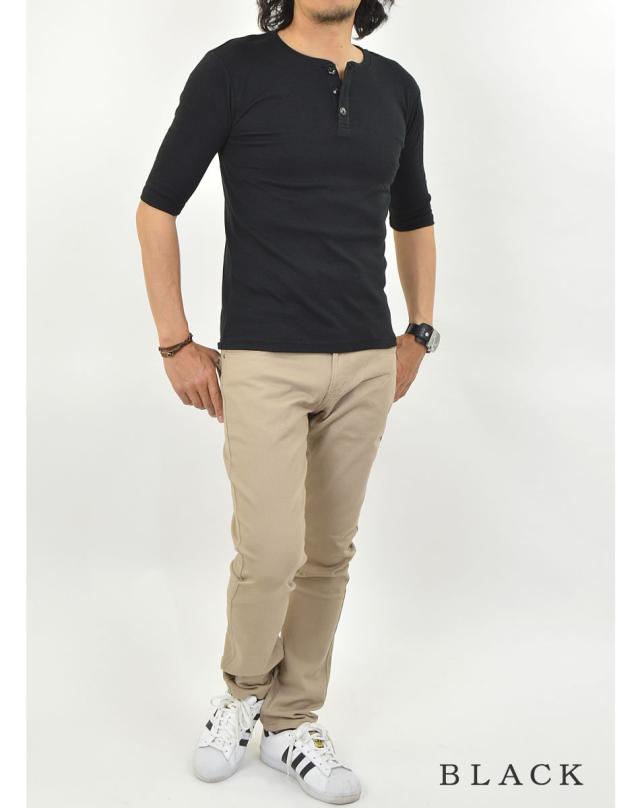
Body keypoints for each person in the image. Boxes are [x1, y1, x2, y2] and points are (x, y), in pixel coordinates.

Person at [135, 1, 439, 802]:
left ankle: (291, 721)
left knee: (328, 554)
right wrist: (175, 343)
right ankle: (241, 694)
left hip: (366, 361)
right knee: (270, 550)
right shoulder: (234, 70)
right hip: (263, 357)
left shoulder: (397, 88)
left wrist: (418, 331)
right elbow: (156, 207)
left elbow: (414, 215)